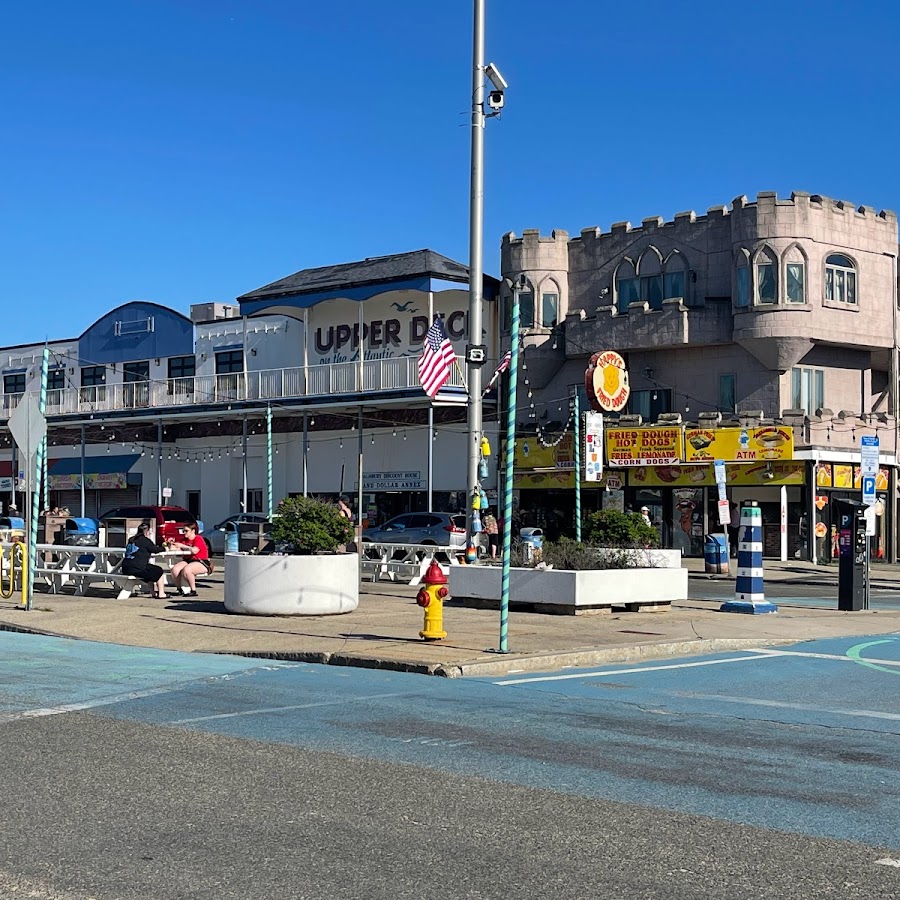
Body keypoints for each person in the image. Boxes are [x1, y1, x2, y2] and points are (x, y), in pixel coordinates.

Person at [121, 522, 169, 599]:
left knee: (150, 569)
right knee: (159, 570)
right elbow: (155, 549)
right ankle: (161, 593)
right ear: (147, 531)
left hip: (125, 568)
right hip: (137, 568)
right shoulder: (145, 540)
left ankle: (153, 593)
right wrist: (165, 548)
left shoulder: (131, 539)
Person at [169, 522, 212, 597]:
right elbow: (174, 548)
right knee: (175, 569)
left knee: (187, 569)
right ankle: (179, 589)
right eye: (183, 531)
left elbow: (195, 550)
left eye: (186, 531)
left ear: (193, 531)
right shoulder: (184, 540)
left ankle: (193, 590)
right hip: (188, 560)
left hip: (201, 561)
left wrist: (183, 546)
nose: (184, 533)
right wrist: (171, 543)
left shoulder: (198, 538)